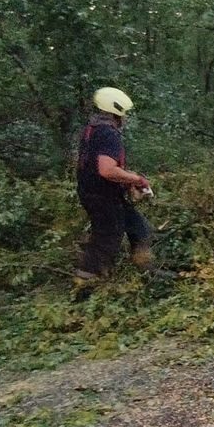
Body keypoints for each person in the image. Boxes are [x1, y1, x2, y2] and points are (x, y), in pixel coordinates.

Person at [74, 87, 153, 284]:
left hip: (97, 193)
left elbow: (97, 166)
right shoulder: (108, 134)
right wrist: (137, 180)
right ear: (116, 112)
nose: (125, 118)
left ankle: (145, 272)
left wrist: (127, 182)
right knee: (107, 239)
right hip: (102, 197)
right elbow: (106, 170)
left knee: (138, 226)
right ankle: (84, 285)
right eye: (123, 114)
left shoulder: (92, 129)